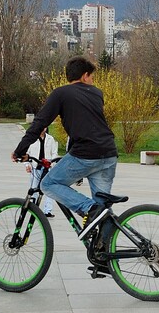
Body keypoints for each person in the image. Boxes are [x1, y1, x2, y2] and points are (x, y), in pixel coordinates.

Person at [11, 55, 118, 240]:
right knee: (103, 211)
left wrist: (20, 150)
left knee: (48, 183)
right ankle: (103, 256)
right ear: (85, 76)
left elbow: (39, 124)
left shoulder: (61, 94)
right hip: (109, 154)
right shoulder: (97, 93)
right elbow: (88, 124)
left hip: (85, 154)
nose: (92, 81)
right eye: (91, 77)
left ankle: (88, 208)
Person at [24, 127, 59, 217]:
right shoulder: (32, 139)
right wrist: (27, 164)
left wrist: (52, 163)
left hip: (47, 167)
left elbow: (54, 153)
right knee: (34, 188)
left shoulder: (50, 139)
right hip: (36, 167)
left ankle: (47, 210)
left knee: (49, 189)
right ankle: (34, 208)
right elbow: (26, 154)